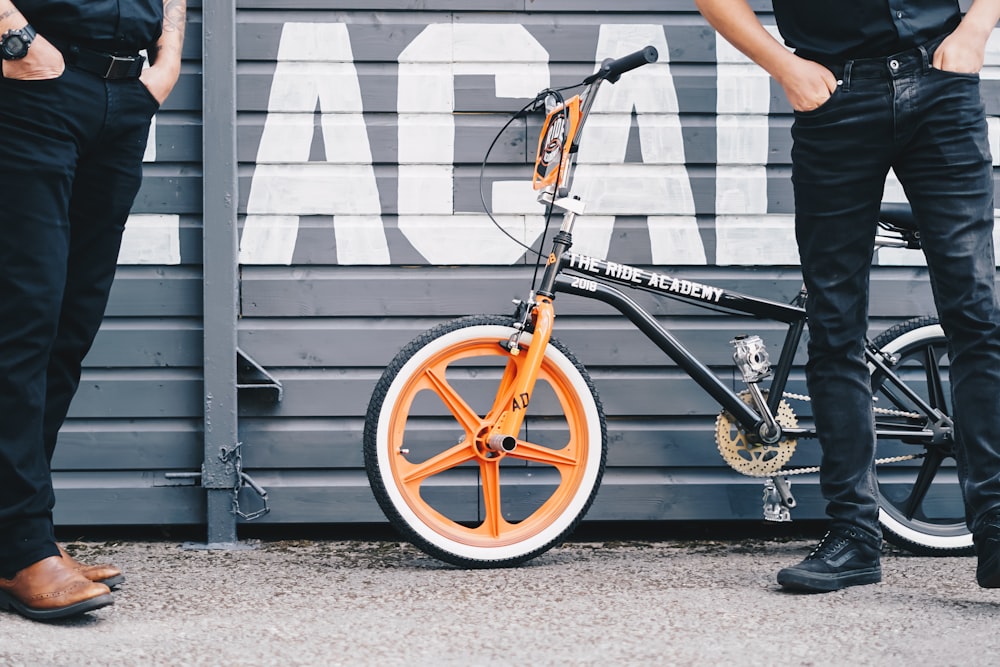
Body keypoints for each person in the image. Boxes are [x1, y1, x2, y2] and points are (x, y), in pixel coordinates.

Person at [694, 0, 1000, 592]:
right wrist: (785, 67)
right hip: (836, 98)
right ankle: (854, 537)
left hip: (940, 86)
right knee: (835, 327)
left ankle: (995, 527)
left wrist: (977, 27)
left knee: (976, 315)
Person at [0, 0, 186, 620]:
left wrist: (168, 58)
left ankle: (18, 540)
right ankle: (24, 546)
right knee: (23, 323)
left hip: (124, 96)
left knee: (67, 327)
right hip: (32, 91)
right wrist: (13, 35)